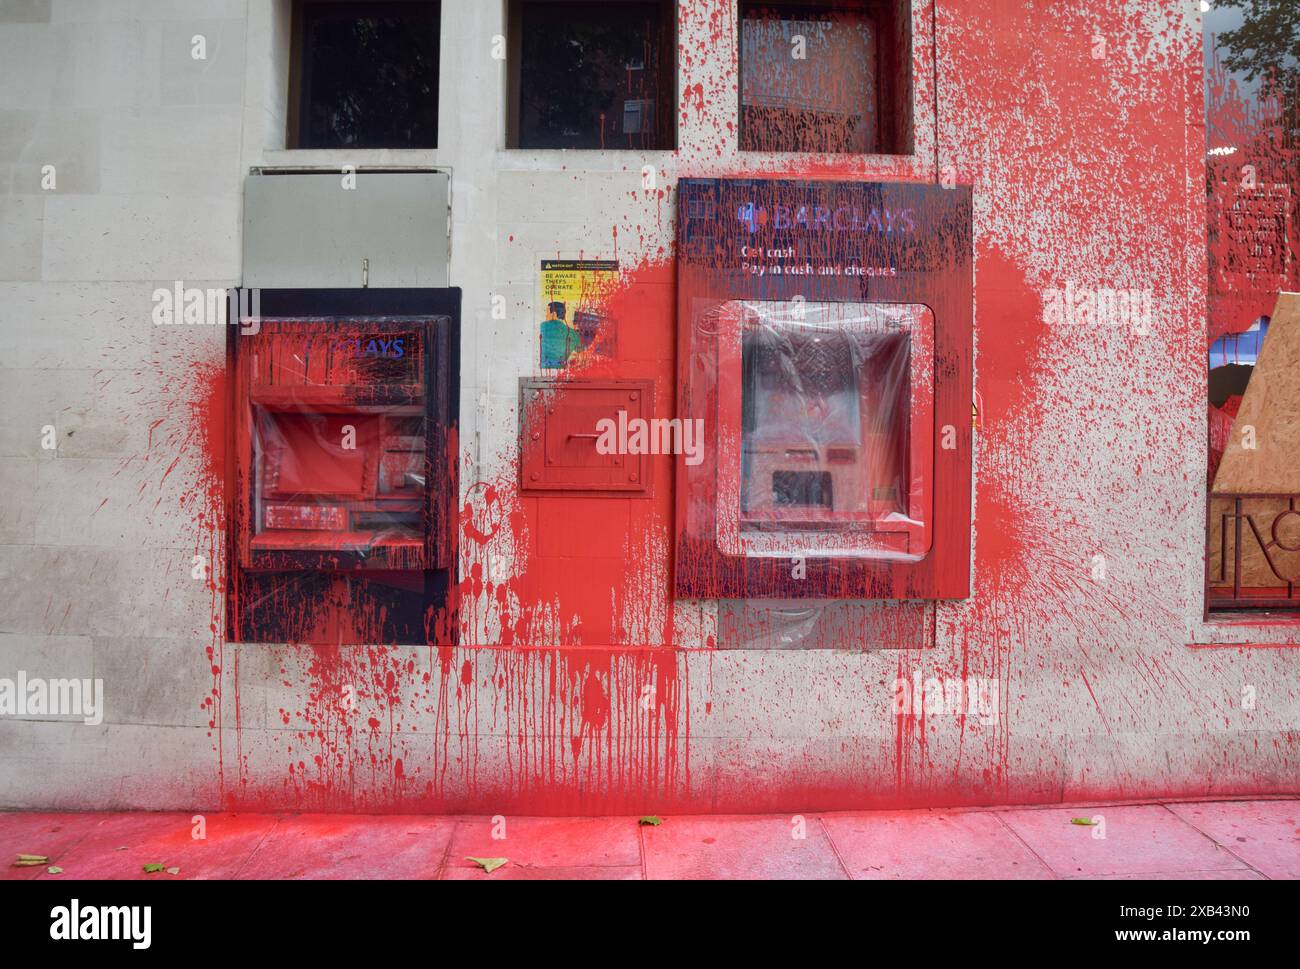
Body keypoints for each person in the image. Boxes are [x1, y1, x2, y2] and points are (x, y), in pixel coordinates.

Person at [539, 301, 580, 368]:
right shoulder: (574, 333)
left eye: (547, 313)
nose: (546, 316)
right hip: (562, 369)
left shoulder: (544, 327)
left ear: (554, 314)